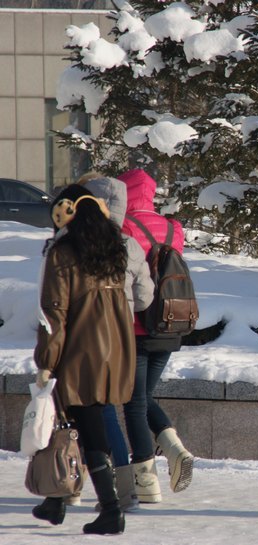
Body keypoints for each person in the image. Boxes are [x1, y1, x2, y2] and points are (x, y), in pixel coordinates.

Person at [32, 183, 135, 535]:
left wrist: (47, 360)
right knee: (70, 423)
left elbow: (54, 313)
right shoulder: (113, 252)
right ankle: (56, 500)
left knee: (84, 429)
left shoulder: (63, 253)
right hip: (115, 352)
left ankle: (110, 509)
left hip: (78, 352)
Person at [78, 172, 155, 512]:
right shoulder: (130, 245)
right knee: (108, 410)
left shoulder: (77, 244)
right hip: (122, 336)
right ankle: (124, 489)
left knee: (90, 411)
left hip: (85, 336)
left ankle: (80, 486)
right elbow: (144, 299)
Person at [117, 168, 194, 503]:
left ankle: (145, 479)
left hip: (136, 326)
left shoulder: (124, 226)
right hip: (170, 324)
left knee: (134, 403)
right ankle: (174, 447)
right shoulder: (174, 228)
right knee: (143, 398)